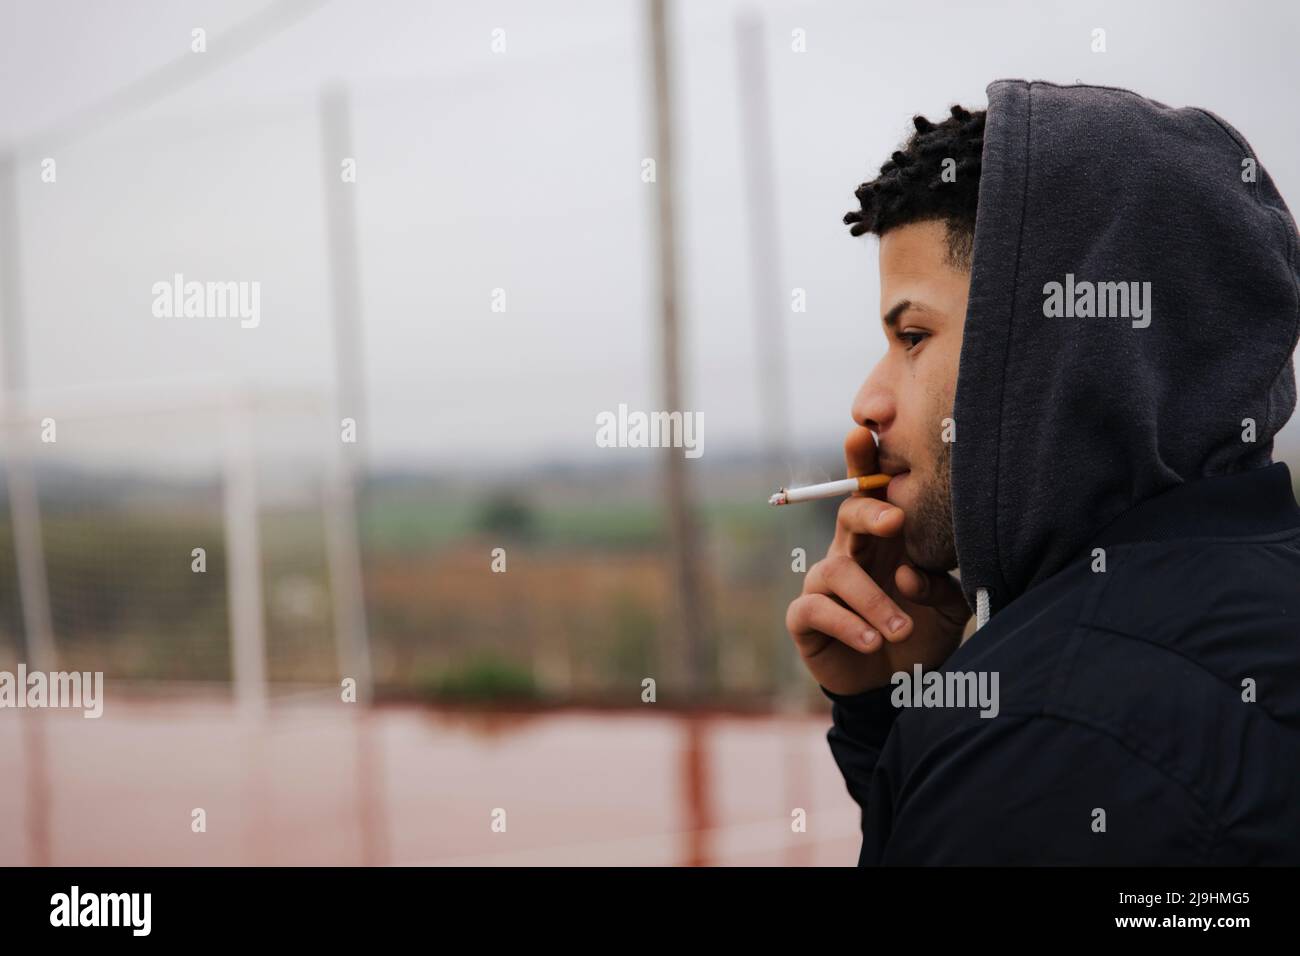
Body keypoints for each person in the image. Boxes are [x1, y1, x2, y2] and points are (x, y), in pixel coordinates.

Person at [784, 80, 1300, 864]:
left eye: (913, 336)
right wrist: (908, 709)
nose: (869, 401)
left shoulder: (1048, 734)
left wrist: (982, 726)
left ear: (1054, 352)